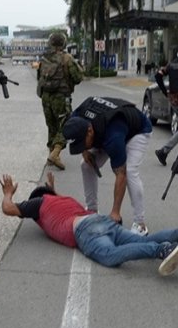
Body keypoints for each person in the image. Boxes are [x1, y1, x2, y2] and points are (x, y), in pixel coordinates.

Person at [0, 173, 178, 274]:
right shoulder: (64, 200)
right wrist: (53, 187)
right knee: (144, 238)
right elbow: (53, 197)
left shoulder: (39, 203)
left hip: (86, 231)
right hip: (101, 220)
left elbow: (9, 209)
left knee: (111, 256)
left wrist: (8, 193)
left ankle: (162, 250)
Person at [62, 96, 153, 236]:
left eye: (82, 143)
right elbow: (79, 135)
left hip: (137, 131)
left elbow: (120, 174)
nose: (81, 147)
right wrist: (84, 150)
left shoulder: (113, 137)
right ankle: (92, 210)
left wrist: (115, 212)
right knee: (86, 165)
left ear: (90, 131)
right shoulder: (77, 119)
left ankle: (140, 223)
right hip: (105, 130)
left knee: (129, 170)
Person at [37, 32, 83, 170]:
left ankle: (52, 156)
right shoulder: (67, 58)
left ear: (50, 43)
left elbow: (39, 78)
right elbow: (78, 77)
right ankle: (55, 152)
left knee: (52, 126)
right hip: (61, 97)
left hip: (46, 97)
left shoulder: (44, 59)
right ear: (63, 43)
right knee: (65, 125)